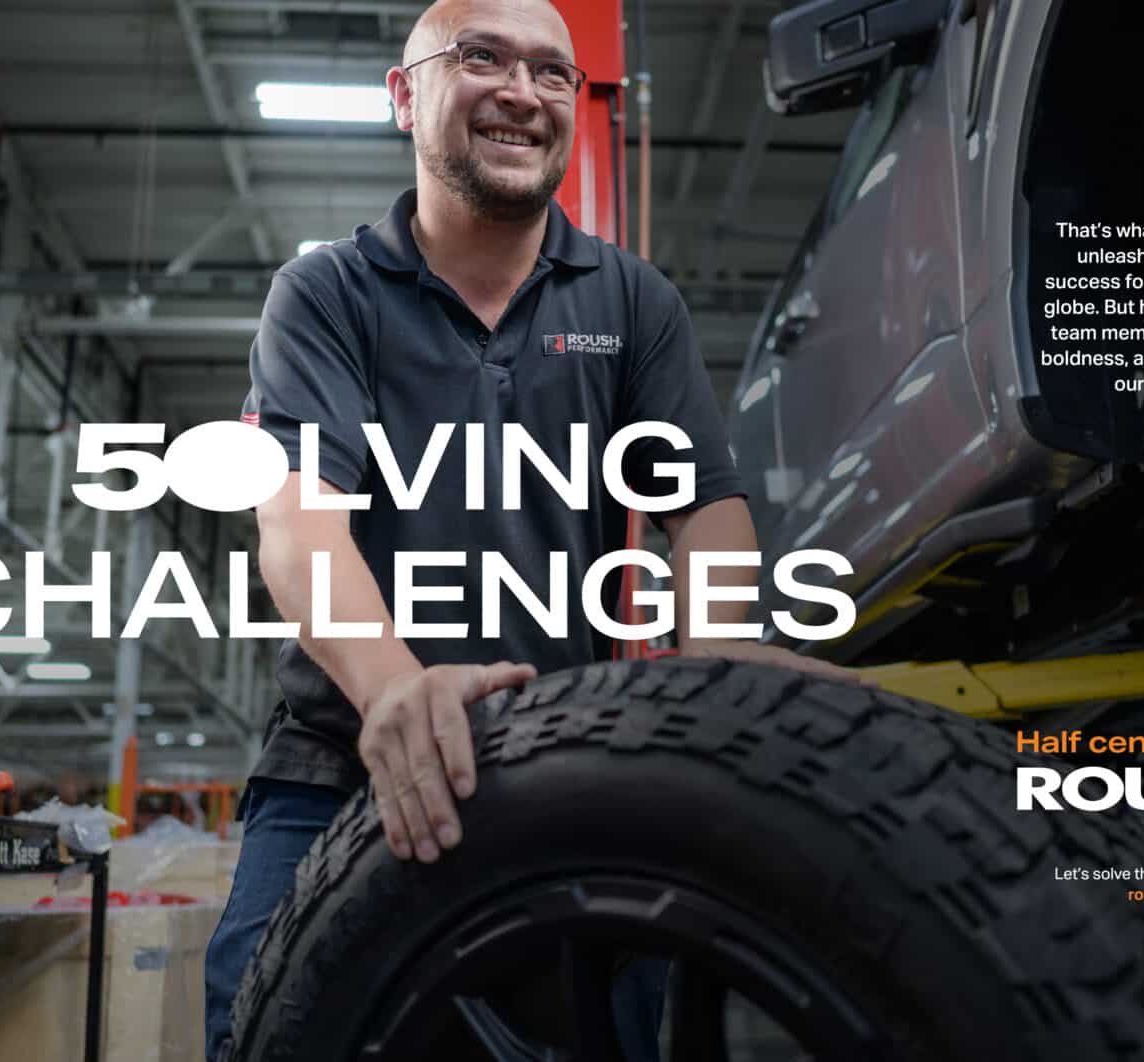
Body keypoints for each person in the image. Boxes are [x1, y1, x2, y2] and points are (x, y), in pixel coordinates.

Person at [201, 0, 860, 1057]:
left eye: (552, 73)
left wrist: (715, 646)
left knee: (623, 1024)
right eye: (482, 58)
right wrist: (393, 690)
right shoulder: (326, 293)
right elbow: (295, 519)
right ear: (403, 95)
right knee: (261, 1014)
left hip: (565, 753)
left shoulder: (631, 300)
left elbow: (702, 503)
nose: (522, 91)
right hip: (342, 756)